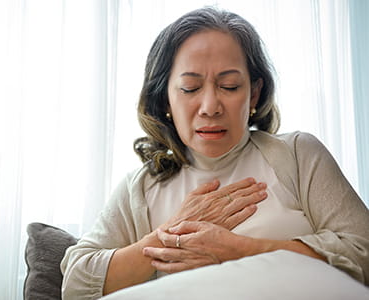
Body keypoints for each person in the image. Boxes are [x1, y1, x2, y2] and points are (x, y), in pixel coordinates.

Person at [60, 7, 369, 299]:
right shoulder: (140, 188)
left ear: (254, 93)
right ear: (165, 101)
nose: (210, 107)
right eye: (191, 88)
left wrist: (237, 250)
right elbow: (75, 282)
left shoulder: (298, 156)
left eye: (230, 86)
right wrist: (168, 236)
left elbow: (363, 252)